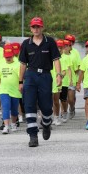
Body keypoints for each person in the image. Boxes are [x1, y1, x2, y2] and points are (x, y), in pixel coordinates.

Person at [19, 17, 62, 147]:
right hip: (30, 75)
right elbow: (22, 64)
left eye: (38, 27)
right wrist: (20, 81)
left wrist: (59, 75)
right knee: (29, 105)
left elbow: (56, 60)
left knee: (47, 107)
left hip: (45, 75)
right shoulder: (26, 43)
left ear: (42, 27)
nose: (36, 29)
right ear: (30, 28)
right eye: (34, 27)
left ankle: (46, 124)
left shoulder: (50, 42)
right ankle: (33, 135)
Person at [0, 44, 21, 134]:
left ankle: (13, 123)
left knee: (14, 108)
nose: (8, 58)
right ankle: (6, 126)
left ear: (13, 55)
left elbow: (21, 77)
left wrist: (22, 86)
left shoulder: (18, 64)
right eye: (6, 57)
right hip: (3, 90)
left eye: (10, 56)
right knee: (5, 106)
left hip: (15, 90)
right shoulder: (0, 64)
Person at [64, 34, 81, 119]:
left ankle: (72, 108)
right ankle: (64, 112)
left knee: (71, 98)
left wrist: (77, 78)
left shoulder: (75, 52)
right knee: (64, 98)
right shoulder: (61, 51)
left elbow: (78, 66)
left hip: (72, 78)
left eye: (70, 41)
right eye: (67, 40)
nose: (68, 42)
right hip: (63, 79)